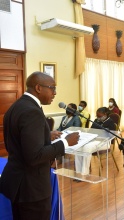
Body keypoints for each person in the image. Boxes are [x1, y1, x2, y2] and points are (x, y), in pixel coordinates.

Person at [0, 72, 79, 219]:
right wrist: (66, 142)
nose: (55, 93)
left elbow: (19, 139)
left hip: (18, 183)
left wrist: (45, 136)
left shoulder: (17, 106)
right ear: (38, 87)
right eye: (52, 88)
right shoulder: (32, 111)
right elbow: (35, 156)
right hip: (31, 189)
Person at [74, 107, 116, 178]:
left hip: (105, 142)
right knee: (79, 147)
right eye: (97, 116)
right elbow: (91, 131)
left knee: (87, 148)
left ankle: (84, 173)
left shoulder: (111, 122)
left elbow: (111, 136)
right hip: (93, 140)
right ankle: (78, 172)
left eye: (99, 116)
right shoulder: (96, 121)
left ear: (105, 114)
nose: (98, 118)